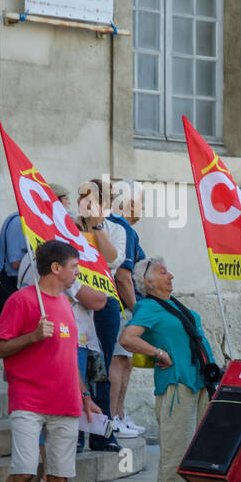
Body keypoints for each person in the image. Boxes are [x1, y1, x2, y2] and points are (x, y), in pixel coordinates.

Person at [0, 240, 102, 482]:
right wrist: (32, 337)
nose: (77, 272)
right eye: (74, 267)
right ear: (56, 268)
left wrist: (84, 395)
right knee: (23, 472)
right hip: (28, 398)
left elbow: (67, 360)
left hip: (65, 402)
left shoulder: (66, 303)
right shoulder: (21, 300)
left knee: (60, 475)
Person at [118, 257, 218, 482]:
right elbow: (127, 338)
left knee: (191, 447)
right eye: (163, 272)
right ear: (148, 282)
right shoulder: (148, 306)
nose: (170, 275)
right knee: (175, 447)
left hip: (197, 382)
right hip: (176, 385)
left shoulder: (173, 305)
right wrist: (158, 353)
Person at [78, 179, 123, 453]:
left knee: (103, 369)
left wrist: (95, 227)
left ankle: (102, 432)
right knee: (79, 365)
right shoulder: (68, 227)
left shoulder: (116, 229)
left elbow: (112, 259)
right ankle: (79, 432)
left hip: (104, 303)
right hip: (76, 302)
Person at [107, 180, 149, 438]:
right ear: (130, 202)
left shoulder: (114, 226)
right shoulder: (123, 229)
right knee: (119, 360)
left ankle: (119, 414)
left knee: (126, 362)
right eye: (142, 201)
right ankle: (113, 417)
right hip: (118, 305)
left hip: (116, 305)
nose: (143, 207)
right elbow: (124, 277)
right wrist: (138, 312)